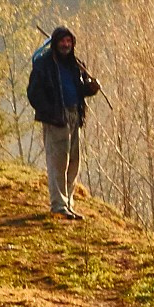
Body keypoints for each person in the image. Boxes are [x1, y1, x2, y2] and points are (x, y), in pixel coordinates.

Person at [27, 25, 100, 220]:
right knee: (58, 161)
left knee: (73, 161)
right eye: (62, 41)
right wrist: (50, 112)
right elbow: (34, 94)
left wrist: (93, 87)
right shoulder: (44, 65)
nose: (66, 45)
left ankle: (68, 202)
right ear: (55, 43)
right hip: (55, 118)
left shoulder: (75, 64)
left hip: (74, 116)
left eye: (69, 41)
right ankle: (58, 204)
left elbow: (81, 89)